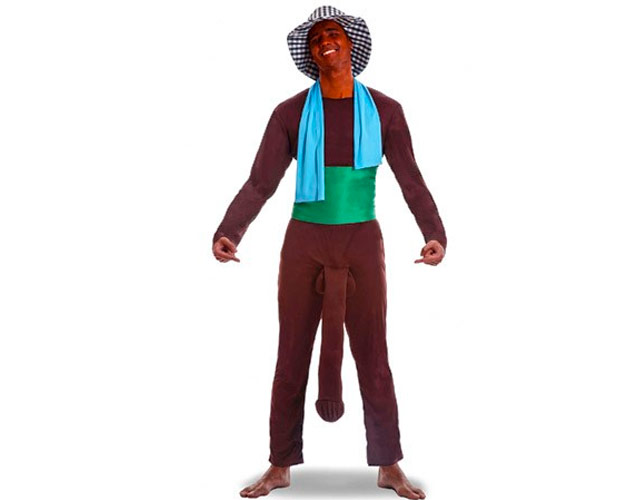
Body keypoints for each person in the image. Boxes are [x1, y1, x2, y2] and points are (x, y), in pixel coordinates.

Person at [212, 6, 446, 499]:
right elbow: (260, 182)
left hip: (362, 240)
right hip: (304, 242)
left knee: (374, 353)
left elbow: (411, 179)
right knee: (291, 352)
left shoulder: (386, 111)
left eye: (332, 33)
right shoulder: (290, 113)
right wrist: (230, 231)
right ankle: (279, 464)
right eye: (316, 39)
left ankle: (389, 464)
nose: (325, 42)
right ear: (310, 55)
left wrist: (434, 233)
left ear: (352, 44)